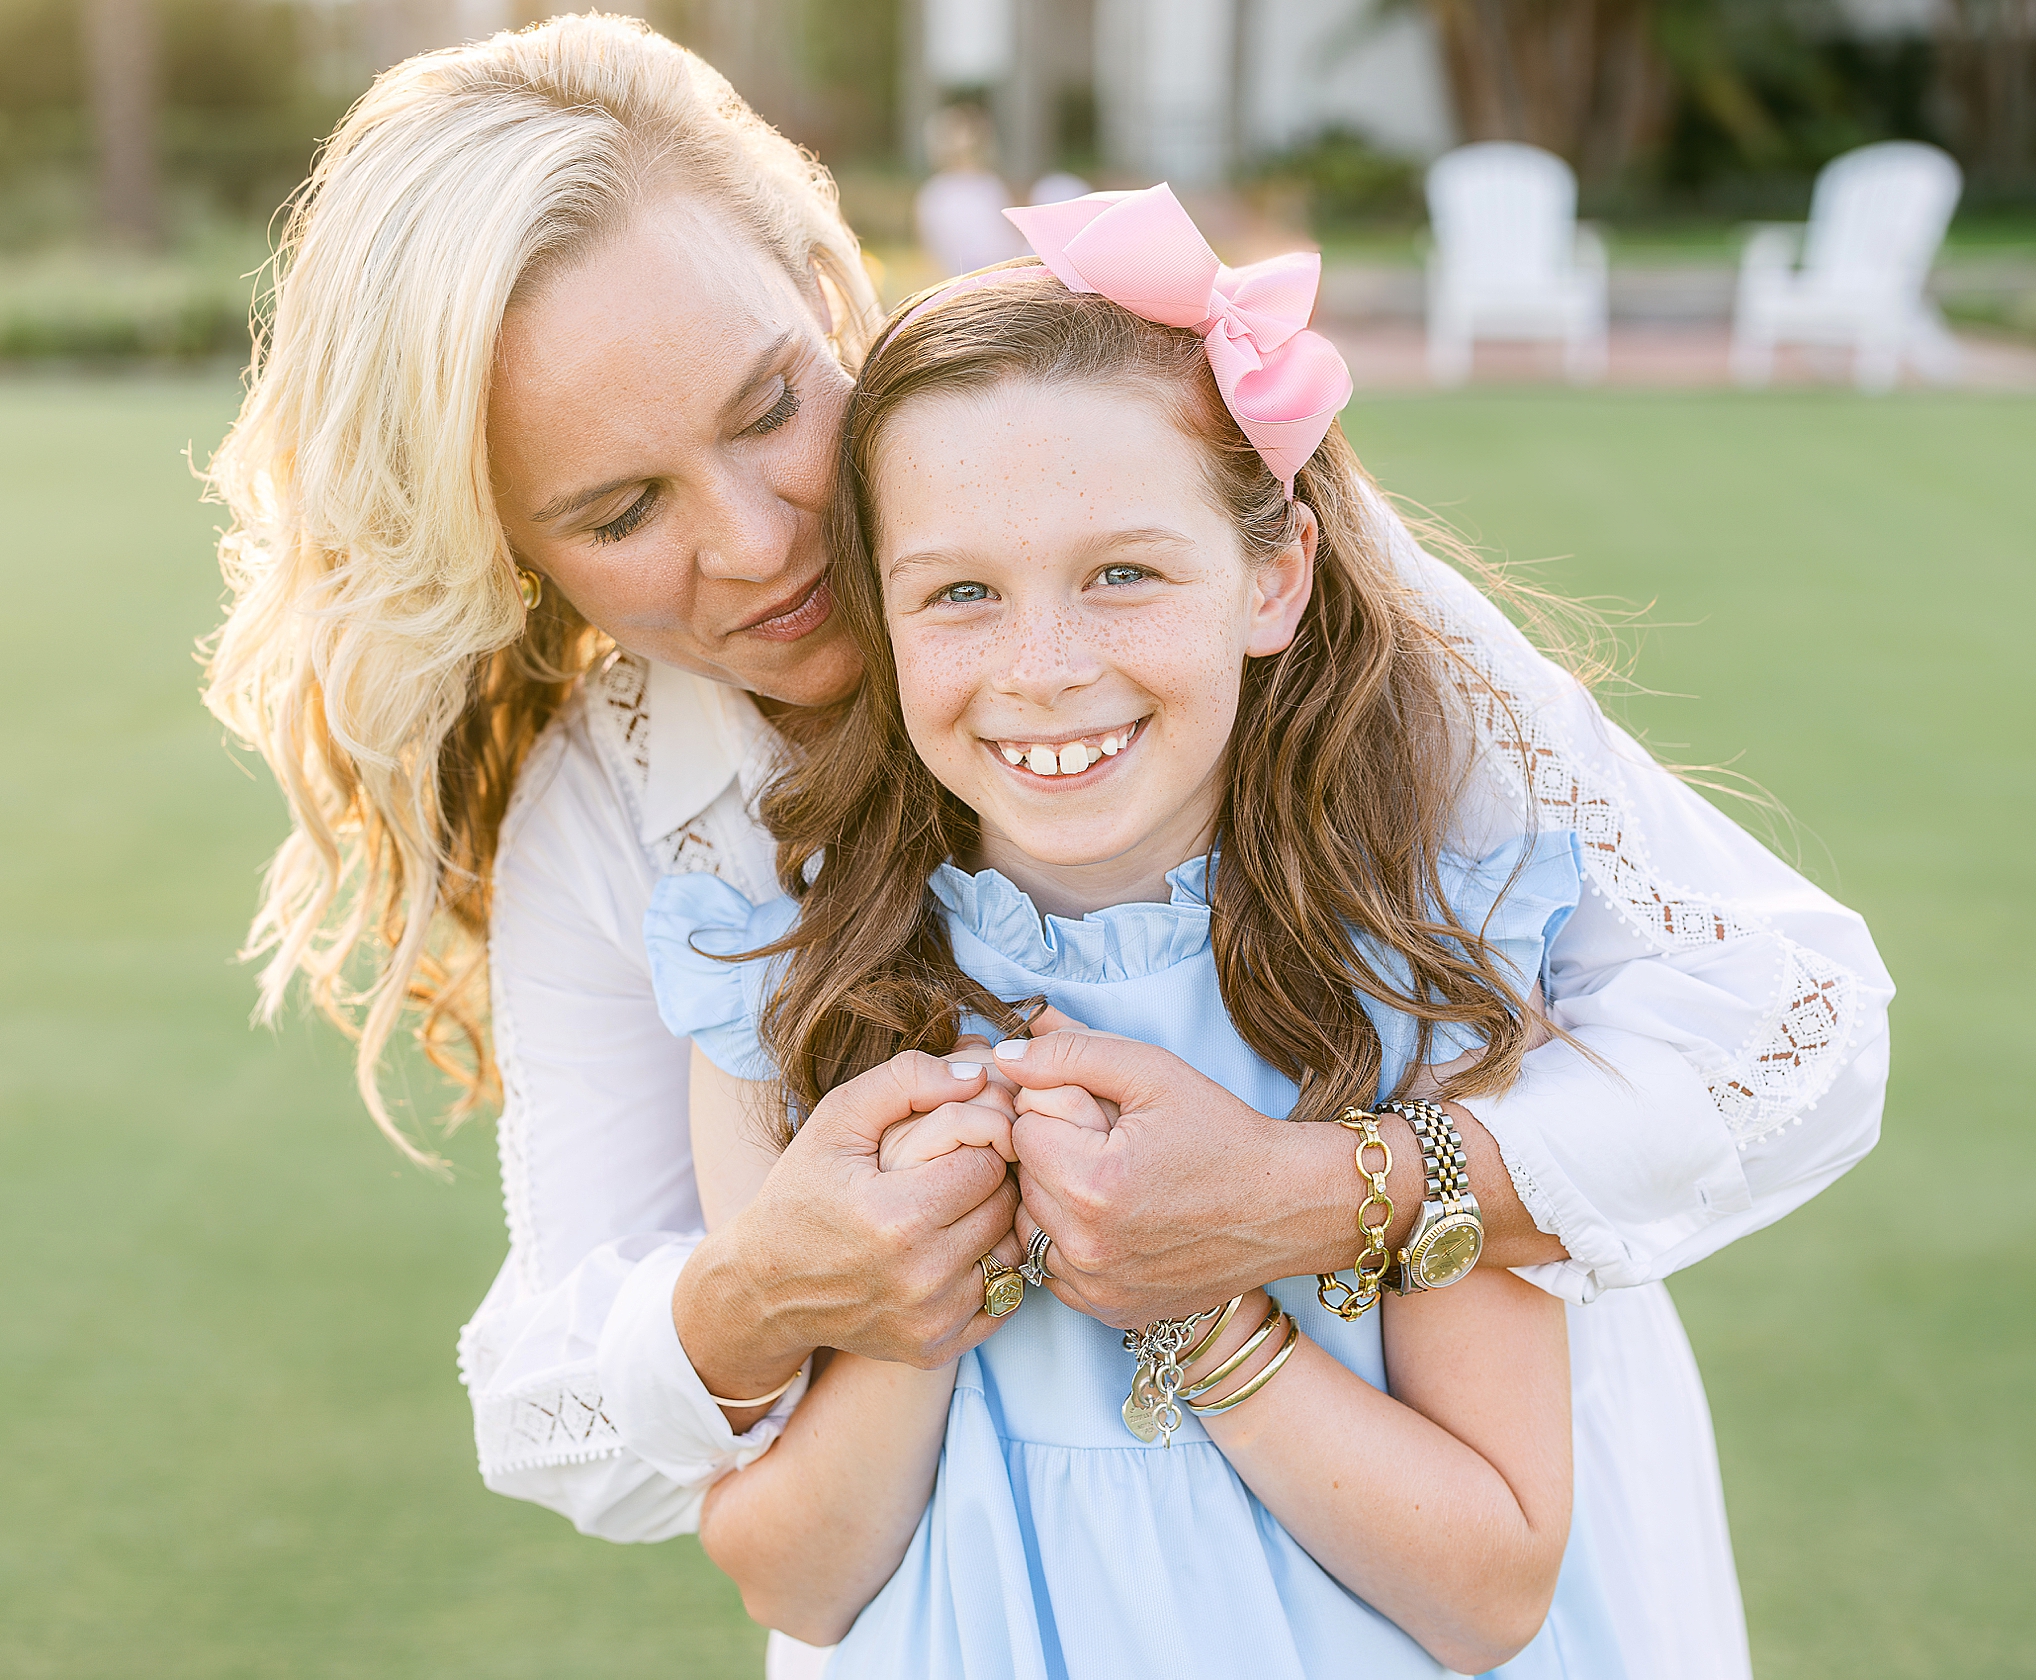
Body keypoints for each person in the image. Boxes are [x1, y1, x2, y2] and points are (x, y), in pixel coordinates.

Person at [201, 15, 1892, 1680]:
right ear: (512, 552)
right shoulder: (642, 824)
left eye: (773, 403)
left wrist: (1293, 1203)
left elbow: (1797, 1026)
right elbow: (579, 1420)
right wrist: (763, 1289)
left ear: (824, 278)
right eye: (620, 510)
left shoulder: (1259, 601)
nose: (759, 536)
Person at [650, 202, 1600, 1676]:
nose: (1044, 668)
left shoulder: (1420, 958)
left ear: (1271, 577)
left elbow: (1492, 1588)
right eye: (960, 591)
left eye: (1124, 574)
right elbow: (795, 1580)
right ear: (882, 619)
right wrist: (923, 1280)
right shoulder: (787, 967)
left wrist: (1202, 1299)